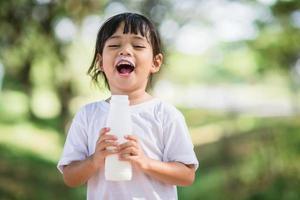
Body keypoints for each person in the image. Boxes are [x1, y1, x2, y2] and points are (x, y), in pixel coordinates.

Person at [57, 12, 198, 200]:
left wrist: (145, 162)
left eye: (138, 45)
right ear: (100, 62)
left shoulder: (165, 115)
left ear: (155, 63)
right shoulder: (87, 115)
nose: (125, 51)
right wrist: (94, 160)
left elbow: (187, 175)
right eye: (115, 45)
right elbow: (70, 177)